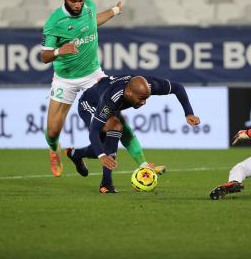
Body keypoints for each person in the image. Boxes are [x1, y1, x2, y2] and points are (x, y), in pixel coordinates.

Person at [41, 0, 158, 177]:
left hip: (93, 76)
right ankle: (54, 151)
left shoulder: (89, 7)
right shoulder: (54, 22)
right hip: (65, 79)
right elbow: (44, 56)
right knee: (53, 131)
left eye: (81, 0)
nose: (78, 5)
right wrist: (60, 50)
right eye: (73, 1)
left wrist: (114, 11)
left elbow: (93, 20)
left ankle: (143, 163)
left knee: (116, 120)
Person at [66, 75, 201, 193]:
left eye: (146, 98)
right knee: (113, 130)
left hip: (112, 106)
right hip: (89, 104)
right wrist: (102, 156)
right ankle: (106, 184)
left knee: (120, 134)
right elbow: (94, 131)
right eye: (141, 98)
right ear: (129, 92)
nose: (144, 102)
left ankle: (76, 154)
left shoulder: (147, 85)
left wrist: (188, 113)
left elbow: (177, 87)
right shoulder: (111, 98)